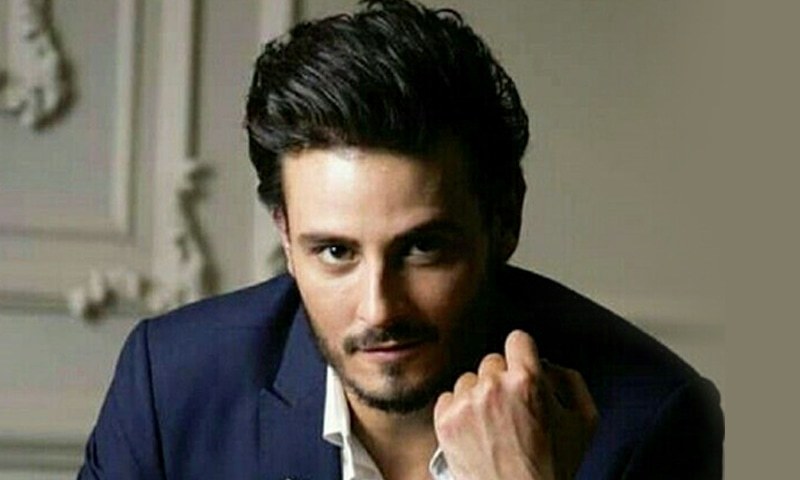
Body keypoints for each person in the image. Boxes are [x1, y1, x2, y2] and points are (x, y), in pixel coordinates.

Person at [78, 1, 724, 478]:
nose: (379, 308)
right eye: (336, 252)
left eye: (422, 249)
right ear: (285, 234)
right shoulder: (172, 384)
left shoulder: (652, 417)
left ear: (504, 221)